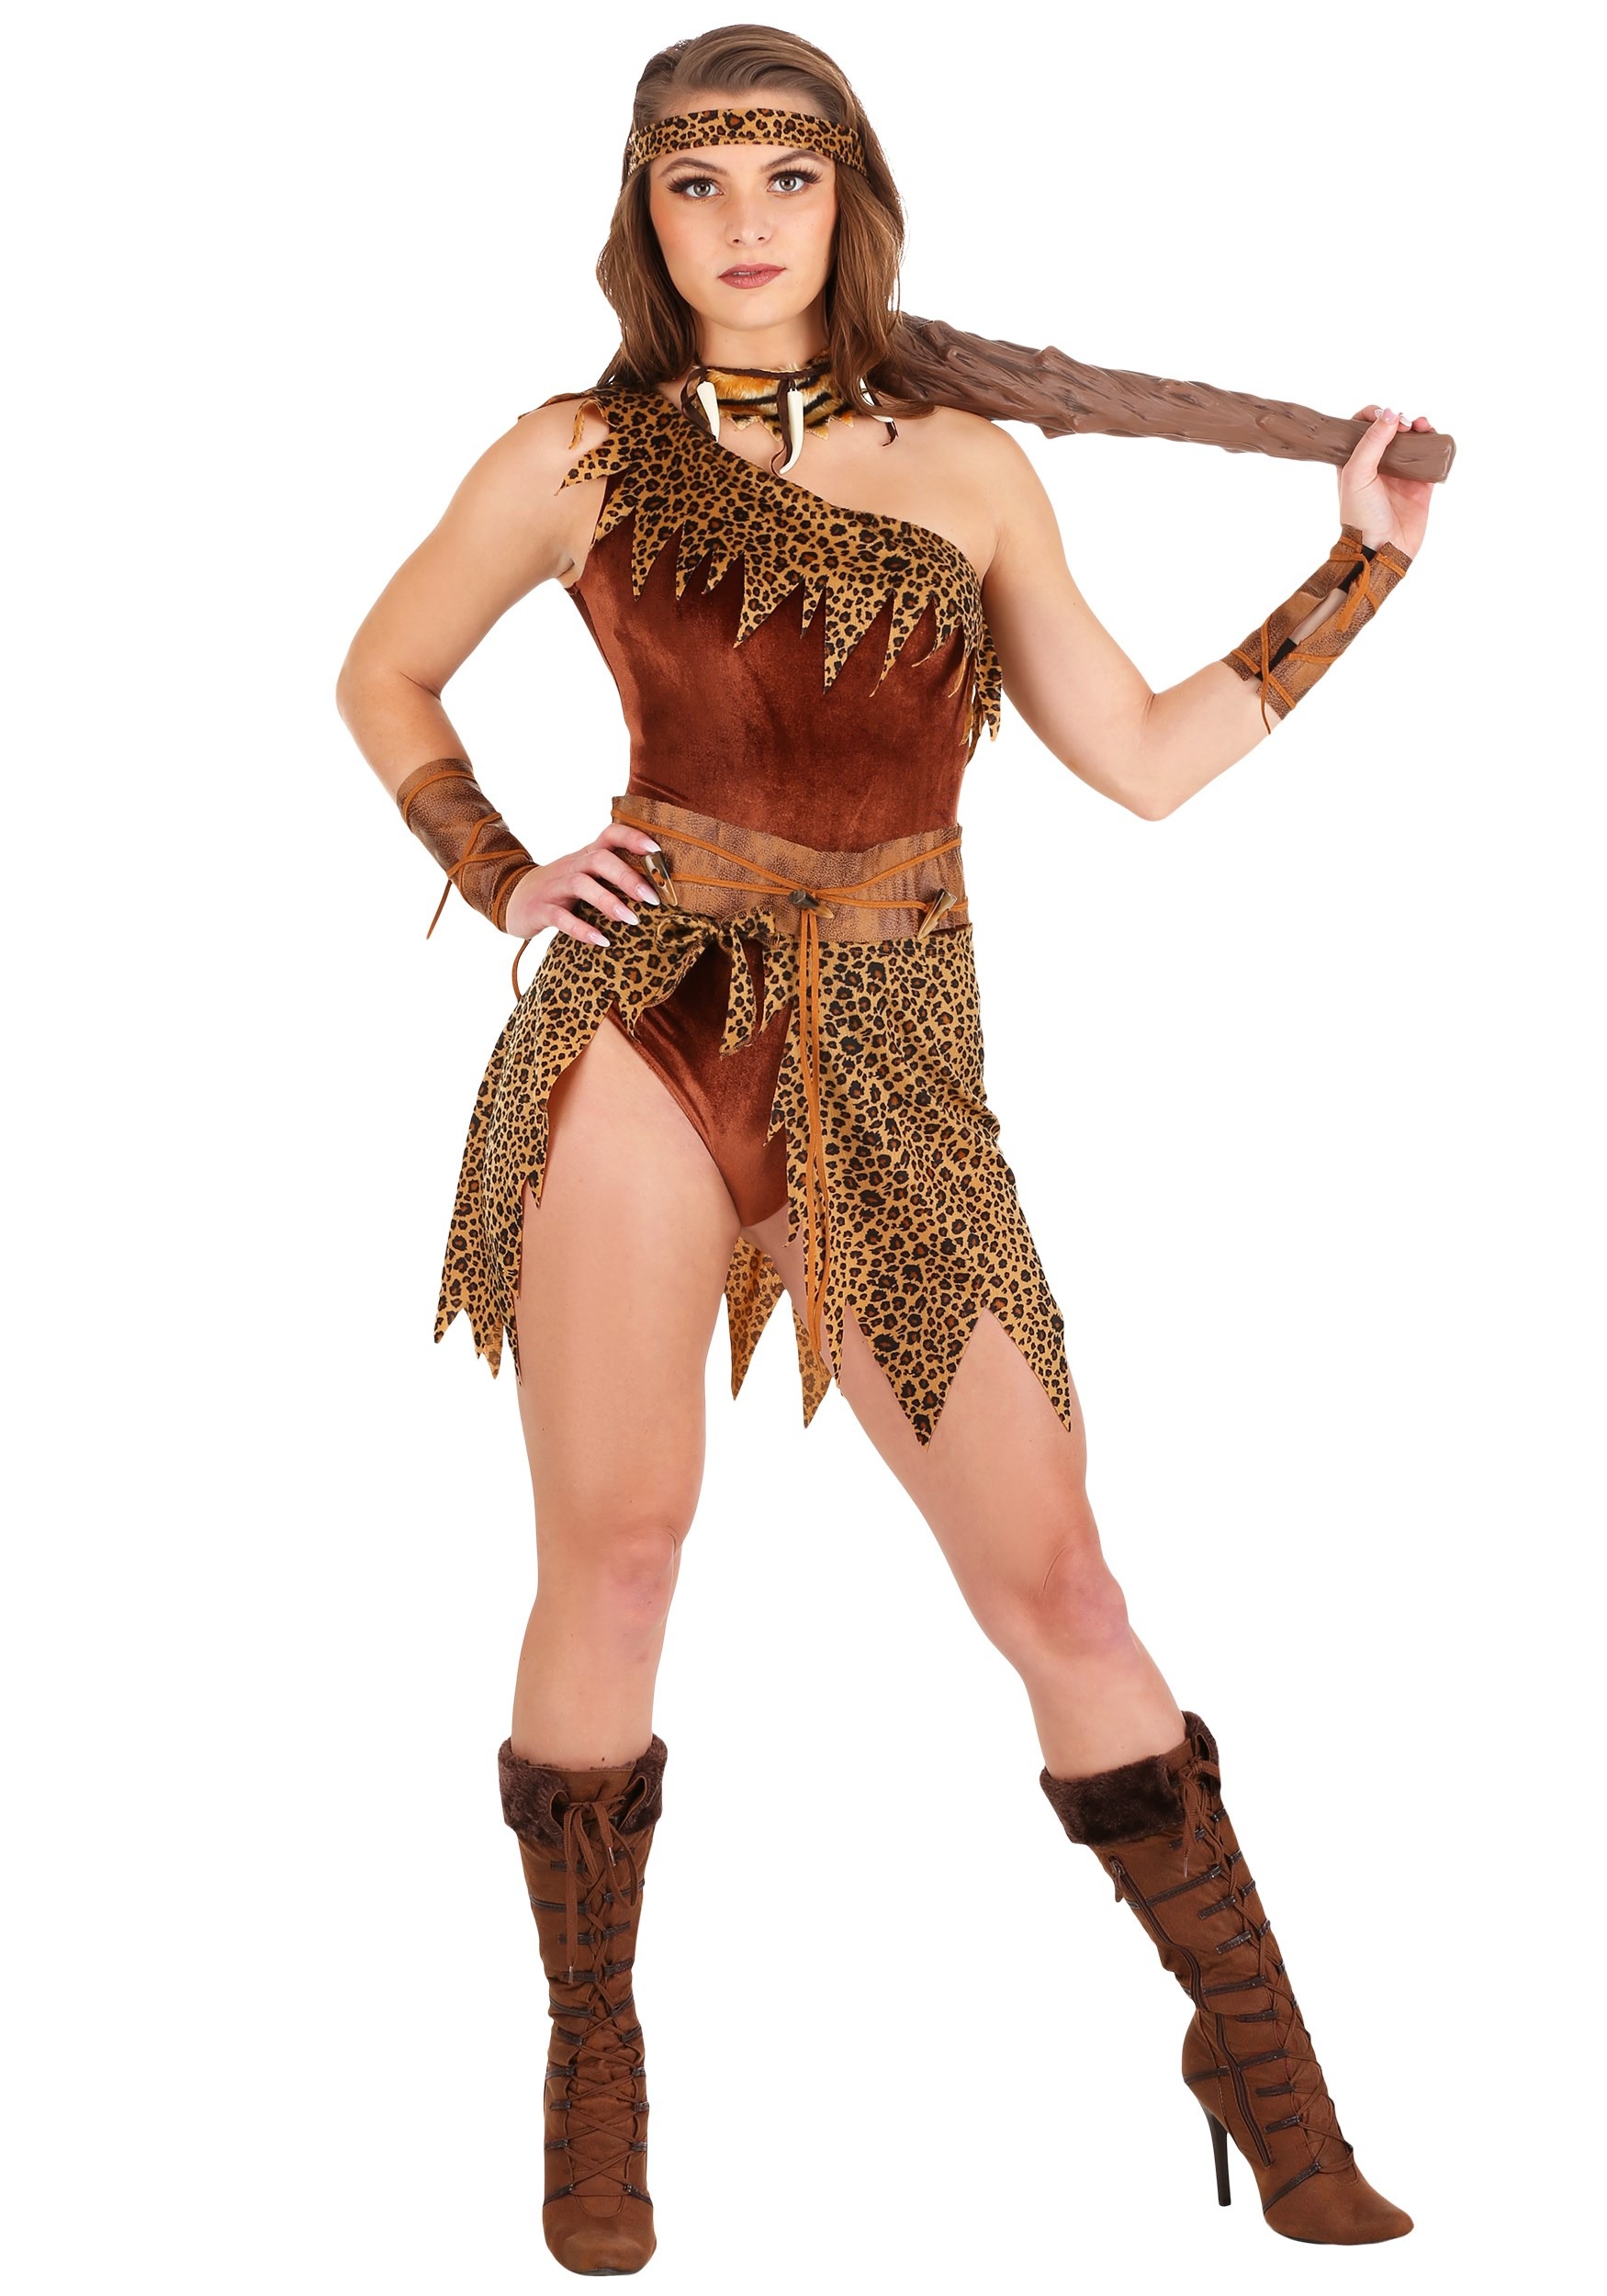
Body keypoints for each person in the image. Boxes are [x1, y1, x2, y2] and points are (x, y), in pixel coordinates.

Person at [335, 24, 1436, 2275]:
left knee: (1064, 1589)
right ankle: (591, 2061)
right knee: (618, 1555)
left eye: (783, 177)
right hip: (649, 1021)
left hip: (899, 1048)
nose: (741, 223)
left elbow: (1141, 757)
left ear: (849, 200)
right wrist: (505, 870)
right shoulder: (574, 454)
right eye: (695, 183)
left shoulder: (966, 465)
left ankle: (1255, 2058)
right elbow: (381, 672)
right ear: (643, 217)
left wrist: (1357, 569)